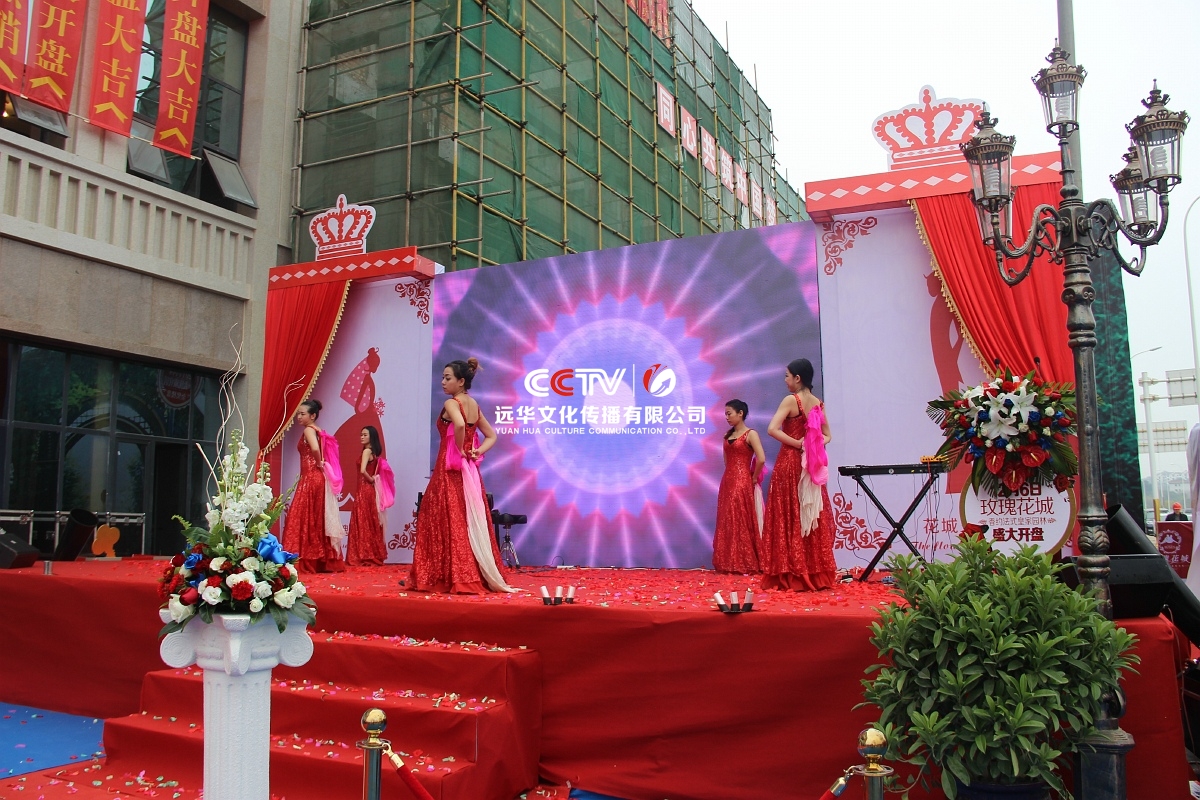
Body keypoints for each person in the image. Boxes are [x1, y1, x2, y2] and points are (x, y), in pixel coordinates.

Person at [410, 358, 515, 593]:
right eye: (443, 377)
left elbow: (458, 425)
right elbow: (491, 436)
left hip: (449, 470)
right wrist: (475, 451)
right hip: (469, 471)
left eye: (447, 378)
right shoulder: (474, 404)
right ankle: (469, 574)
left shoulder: (452, 403)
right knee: (466, 521)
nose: (443, 382)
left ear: (461, 381)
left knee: (443, 520)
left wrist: (458, 450)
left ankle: (445, 576)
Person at [759, 358, 837, 591]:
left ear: (797, 378)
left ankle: (790, 572)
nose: (785, 380)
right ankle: (813, 572)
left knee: (790, 515)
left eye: (787, 376)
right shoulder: (818, 403)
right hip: (810, 466)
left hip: (790, 464)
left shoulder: (791, 400)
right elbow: (828, 435)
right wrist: (812, 445)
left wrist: (798, 444)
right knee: (808, 515)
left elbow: (772, 429)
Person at [281, 399, 346, 573]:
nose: (299, 417)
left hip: (310, 478)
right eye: (298, 414)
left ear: (313, 416)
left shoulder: (309, 430)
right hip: (318, 479)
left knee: (303, 516)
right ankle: (319, 561)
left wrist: (318, 462)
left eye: (302, 414)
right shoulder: (319, 431)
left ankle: (304, 560)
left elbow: (316, 449)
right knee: (315, 518)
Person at [712, 399, 767, 574]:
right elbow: (726, 461)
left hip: (743, 481)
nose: (726, 417)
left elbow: (761, 458)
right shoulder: (727, 436)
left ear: (740, 413)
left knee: (741, 519)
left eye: (729, 413)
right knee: (727, 519)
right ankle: (728, 562)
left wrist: (753, 477)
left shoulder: (751, 434)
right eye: (725, 414)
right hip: (727, 481)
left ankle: (744, 561)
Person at [346, 426, 394, 566]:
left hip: (364, 489)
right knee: (369, 522)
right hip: (369, 491)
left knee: (363, 521)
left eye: (365, 435)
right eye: (361, 434)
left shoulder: (367, 451)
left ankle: (363, 555)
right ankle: (371, 553)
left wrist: (370, 479)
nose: (361, 437)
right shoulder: (373, 453)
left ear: (371, 437)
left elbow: (362, 470)